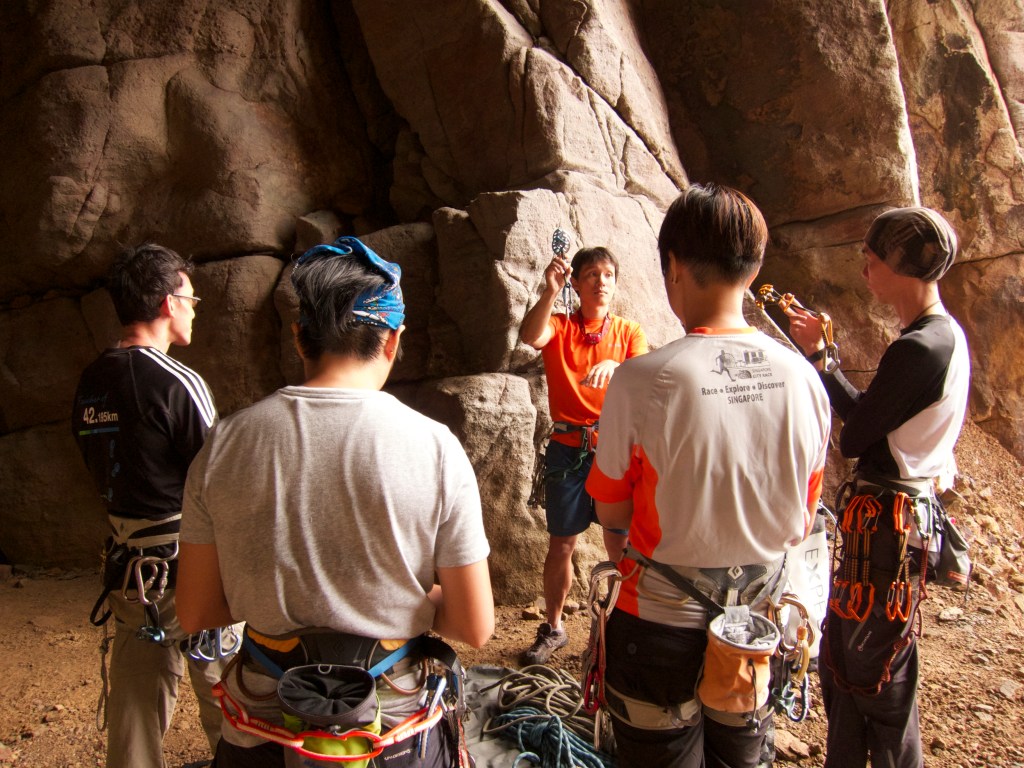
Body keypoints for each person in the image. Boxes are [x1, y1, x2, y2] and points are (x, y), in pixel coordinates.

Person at [176, 236, 494, 767]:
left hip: (264, 731)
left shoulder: (226, 443)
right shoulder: (435, 447)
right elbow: (474, 625)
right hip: (392, 735)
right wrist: (413, 600)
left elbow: (198, 609)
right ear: (393, 340)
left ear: (300, 338)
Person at [585, 184, 832, 768]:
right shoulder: (805, 381)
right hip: (760, 625)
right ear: (754, 268)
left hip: (658, 627)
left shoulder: (643, 380)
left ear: (673, 266)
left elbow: (612, 514)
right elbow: (804, 513)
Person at [785, 207, 970, 768]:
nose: (864, 263)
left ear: (906, 266)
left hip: (886, 527)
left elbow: (859, 435)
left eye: (874, 255)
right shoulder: (942, 335)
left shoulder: (921, 348)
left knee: (873, 671)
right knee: (848, 660)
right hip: (894, 519)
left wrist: (821, 359)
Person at [71, 243, 228, 768]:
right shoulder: (176, 381)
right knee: (233, 706)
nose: (194, 308)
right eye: (191, 297)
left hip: (130, 574)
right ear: (167, 302)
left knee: (134, 712)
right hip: (191, 572)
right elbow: (219, 480)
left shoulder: (92, 381)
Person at [519, 244, 648, 664]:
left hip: (613, 448)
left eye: (608, 275)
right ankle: (554, 627)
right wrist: (550, 292)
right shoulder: (559, 325)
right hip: (567, 449)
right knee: (562, 543)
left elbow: (647, 380)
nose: (601, 282)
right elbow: (529, 336)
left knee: (620, 542)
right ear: (576, 282)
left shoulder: (629, 333)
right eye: (590, 274)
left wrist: (619, 368)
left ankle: (629, 621)